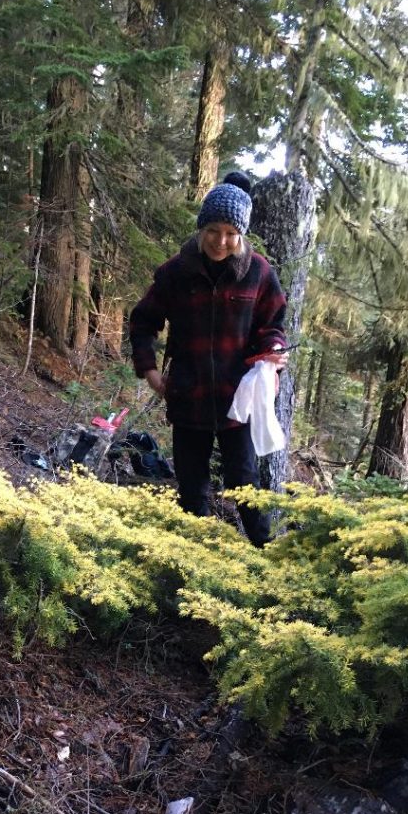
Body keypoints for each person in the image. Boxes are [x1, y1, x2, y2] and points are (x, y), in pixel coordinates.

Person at [129, 171, 289, 546]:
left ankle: (266, 557)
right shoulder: (175, 272)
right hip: (188, 394)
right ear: (202, 228)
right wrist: (149, 370)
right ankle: (193, 561)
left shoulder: (259, 272)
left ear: (242, 234)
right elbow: (142, 321)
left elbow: (273, 324)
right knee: (191, 488)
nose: (222, 241)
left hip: (240, 398)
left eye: (232, 233)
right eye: (214, 230)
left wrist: (274, 354)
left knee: (246, 483)